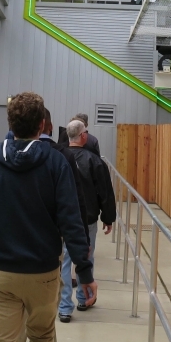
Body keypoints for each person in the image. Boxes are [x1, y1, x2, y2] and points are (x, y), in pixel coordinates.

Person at [0, 92, 96, 342]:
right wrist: (84, 272)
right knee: (42, 338)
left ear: (11, 125)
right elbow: (71, 220)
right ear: (41, 125)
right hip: (42, 274)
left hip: (0, 272)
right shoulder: (57, 163)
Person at [59, 119, 116, 319]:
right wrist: (108, 217)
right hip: (88, 220)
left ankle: (64, 307)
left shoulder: (58, 158)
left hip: (60, 220)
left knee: (64, 261)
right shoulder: (94, 161)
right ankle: (84, 299)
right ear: (83, 136)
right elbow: (105, 192)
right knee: (86, 257)